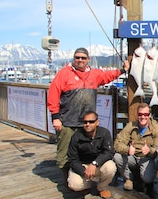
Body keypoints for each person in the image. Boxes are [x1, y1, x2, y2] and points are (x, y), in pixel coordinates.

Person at [47, 47, 128, 184]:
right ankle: (67, 178)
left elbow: (108, 75)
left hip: (87, 123)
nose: (80, 60)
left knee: (87, 151)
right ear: (74, 58)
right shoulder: (64, 74)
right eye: (77, 57)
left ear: (88, 60)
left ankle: (85, 176)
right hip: (67, 122)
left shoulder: (94, 74)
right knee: (64, 154)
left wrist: (122, 70)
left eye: (83, 58)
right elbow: (53, 95)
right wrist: (55, 117)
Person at [114, 102, 158, 198]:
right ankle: (128, 179)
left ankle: (146, 180)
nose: (143, 117)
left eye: (146, 114)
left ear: (150, 115)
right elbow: (117, 143)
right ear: (137, 115)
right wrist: (127, 150)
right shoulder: (131, 126)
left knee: (147, 179)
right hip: (132, 156)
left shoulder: (156, 129)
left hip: (147, 158)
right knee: (117, 157)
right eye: (140, 114)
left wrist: (150, 150)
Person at [67, 111, 117, 199]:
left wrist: (95, 163)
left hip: (98, 165)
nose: (87, 124)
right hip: (83, 166)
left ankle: (101, 188)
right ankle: (88, 184)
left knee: (111, 167)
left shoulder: (105, 133)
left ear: (97, 122)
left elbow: (109, 152)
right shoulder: (76, 136)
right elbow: (72, 159)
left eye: (91, 122)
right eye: (85, 122)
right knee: (74, 185)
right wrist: (83, 171)